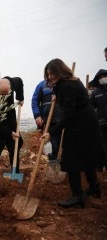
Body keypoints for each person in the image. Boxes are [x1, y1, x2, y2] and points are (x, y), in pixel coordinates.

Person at [42, 58, 101, 208]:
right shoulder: (73, 82)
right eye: (48, 74)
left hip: (79, 125)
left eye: (51, 73)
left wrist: (51, 132)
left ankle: (77, 196)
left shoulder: (67, 86)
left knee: (71, 159)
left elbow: (68, 116)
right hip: (87, 123)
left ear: (59, 71)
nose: (49, 77)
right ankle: (94, 188)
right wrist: (57, 95)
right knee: (87, 155)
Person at [31, 80, 62, 160]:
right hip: (49, 120)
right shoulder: (42, 85)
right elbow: (34, 101)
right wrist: (37, 115)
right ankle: (53, 162)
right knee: (52, 144)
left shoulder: (63, 82)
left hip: (63, 119)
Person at [89, 69, 107, 170]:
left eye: (104, 76)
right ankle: (101, 165)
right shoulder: (95, 93)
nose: (102, 79)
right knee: (101, 145)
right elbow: (90, 107)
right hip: (101, 123)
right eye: (100, 78)